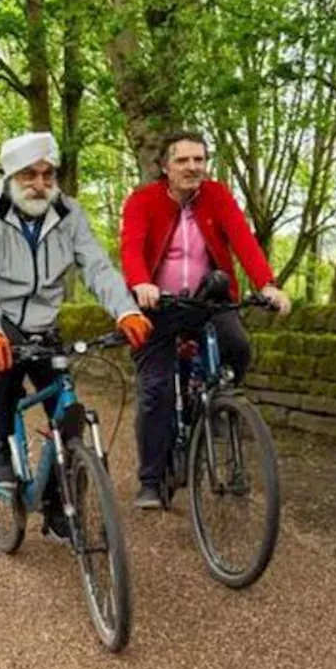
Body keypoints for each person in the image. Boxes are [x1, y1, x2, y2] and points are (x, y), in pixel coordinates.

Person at [0, 131, 153, 541]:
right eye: (30, 174)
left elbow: (98, 267)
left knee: (67, 411)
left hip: (44, 320)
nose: (40, 184)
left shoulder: (69, 214)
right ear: (12, 175)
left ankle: (58, 504)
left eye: (48, 175)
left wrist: (127, 310)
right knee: (9, 367)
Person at [119, 130, 292, 510]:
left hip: (208, 301)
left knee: (239, 346)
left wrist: (267, 284)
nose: (192, 167)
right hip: (158, 307)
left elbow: (243, 239)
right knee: (155, 390)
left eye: (199, 159)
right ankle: (150, 479)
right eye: (183, 160)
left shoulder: (217, 196)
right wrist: (140, 283)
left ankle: (215, 402)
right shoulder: (142, 201)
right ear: (165, 167)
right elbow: (131, 247)